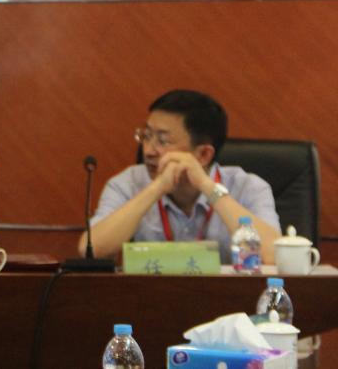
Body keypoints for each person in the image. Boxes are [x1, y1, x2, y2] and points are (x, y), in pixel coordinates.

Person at [82, 89, 280, 264]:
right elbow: (90, 250)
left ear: (203, 155)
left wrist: (207, 186)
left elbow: (274, 255)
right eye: (147, 136)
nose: (148, 151)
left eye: (162, 141)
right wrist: (156, 188)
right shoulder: (128, 183)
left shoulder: (248, 187)